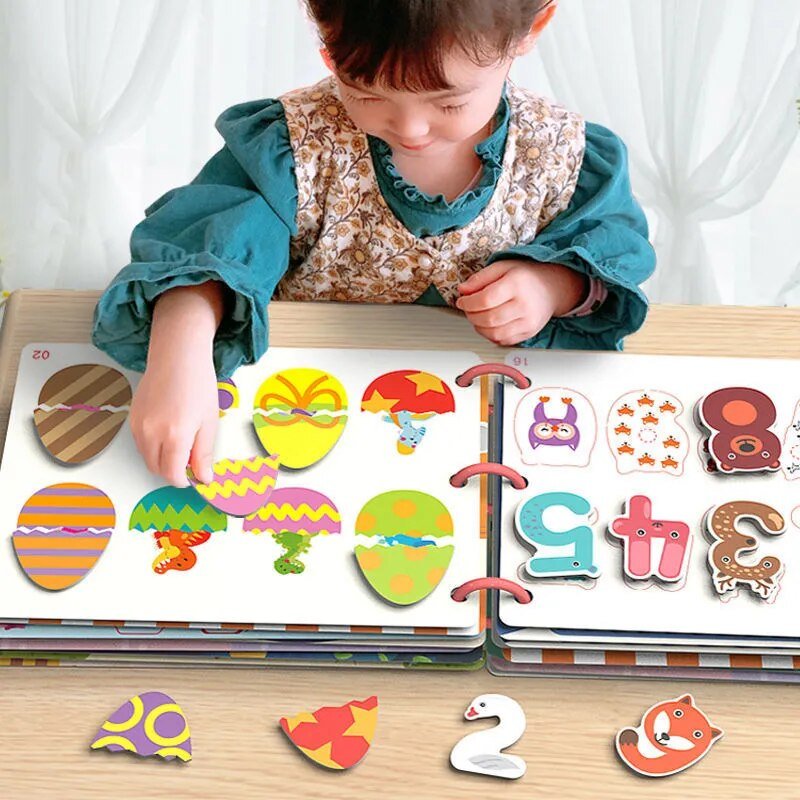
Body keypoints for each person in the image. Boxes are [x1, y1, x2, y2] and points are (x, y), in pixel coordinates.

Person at [92, 0, 655, 487]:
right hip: (306, 423)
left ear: (529, 31)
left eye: (449, 102)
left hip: (491, 438)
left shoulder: (565, 157)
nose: (409, 128)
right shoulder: (291, 147)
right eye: (366, 94)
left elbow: (611, 256)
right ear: (329, 47)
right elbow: (212, 244)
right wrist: (181, 346)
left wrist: (552, 285)